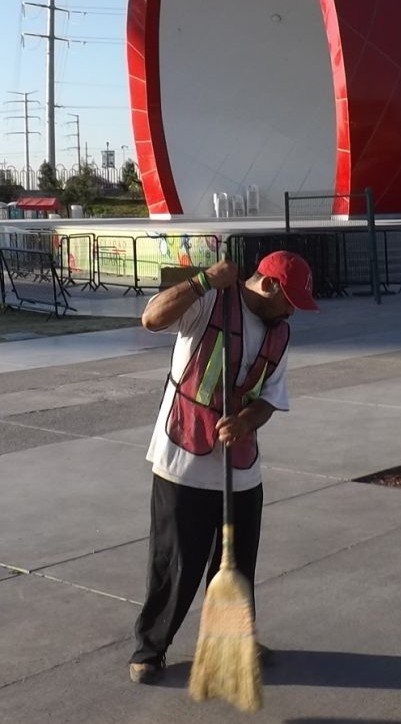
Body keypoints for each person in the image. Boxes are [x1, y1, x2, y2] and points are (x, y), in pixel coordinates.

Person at [129, 250, 319, 684]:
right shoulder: (212, 300)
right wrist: (201, 281)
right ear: (269, 285)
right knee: (175, 563)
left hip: (242, 469)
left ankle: (233, 641)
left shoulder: (279, 333)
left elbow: (271, 396)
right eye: (289, 300)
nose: (292, 312)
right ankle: (150, 648)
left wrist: (247, 420)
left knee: (235, 566)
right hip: (183, 461)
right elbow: (151, 320)